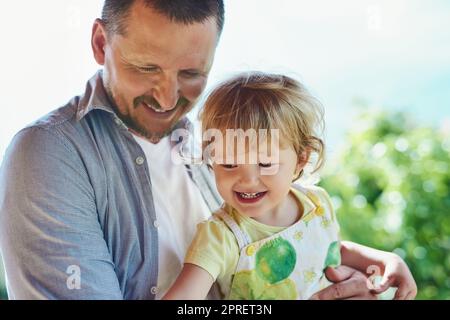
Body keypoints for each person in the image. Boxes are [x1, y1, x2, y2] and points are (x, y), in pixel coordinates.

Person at [0, 0, 416, 299]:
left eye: (191, 73)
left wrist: (367, 267)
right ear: (99, 43)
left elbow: (279, 241)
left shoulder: (209, 146)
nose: (167, 99)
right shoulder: (49, 154)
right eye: (146, 68)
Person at [162, 72, 417, 300]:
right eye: (229, 164)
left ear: (300, 160)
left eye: (265, 163)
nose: (247, 179)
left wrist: (385, 260)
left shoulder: (316, 202)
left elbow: (329, 251)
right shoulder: (220, 237)